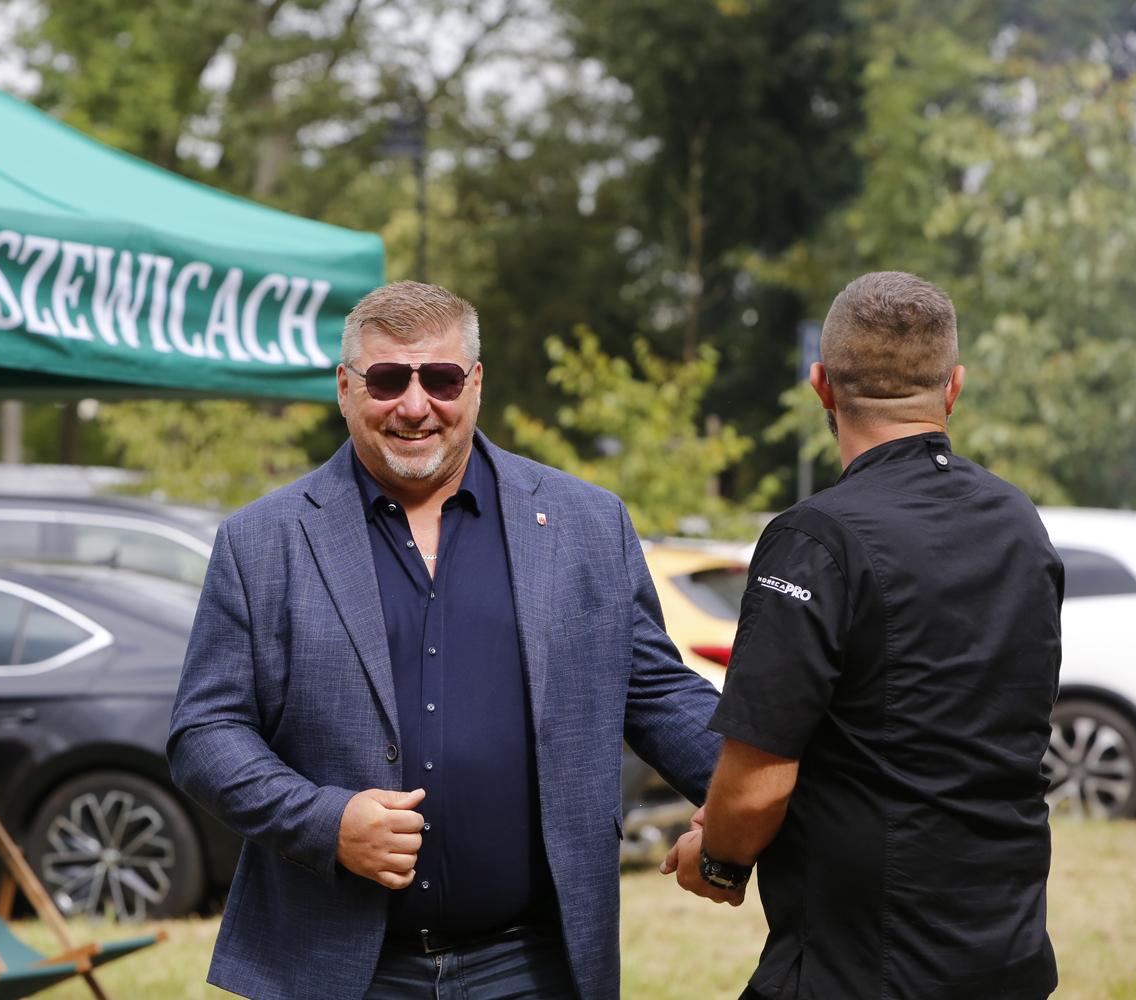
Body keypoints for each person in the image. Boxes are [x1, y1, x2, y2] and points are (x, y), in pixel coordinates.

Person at [169, 280, 723, 1000]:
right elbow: (205, 733)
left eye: (440, 378)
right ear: (345, 387)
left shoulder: (587, 524)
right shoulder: (261, 542)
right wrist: (326, 823)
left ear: (476, 383)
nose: (414, 404)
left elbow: (655, 695)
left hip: (534, 965)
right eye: (387, 380)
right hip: (340, 969)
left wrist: (752, 797)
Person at [662, 271, 1062, 1000]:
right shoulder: (1019, 521)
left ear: (821, 385)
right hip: (1008, 952)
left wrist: (715, 858)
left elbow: (757, 786)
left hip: (864, 965)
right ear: (954, 387)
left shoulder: (814, 539)